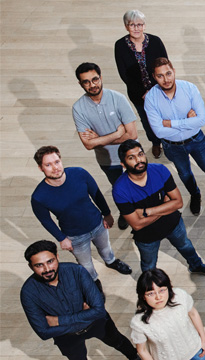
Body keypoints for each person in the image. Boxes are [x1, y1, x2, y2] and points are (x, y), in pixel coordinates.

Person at [113, 139, 205, 277]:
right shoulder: (120, 189)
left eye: (140, 154)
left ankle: (196, 265)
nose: (139, 160)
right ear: (123, 164)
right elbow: (137, 224)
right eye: (131, 157)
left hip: (173, 223)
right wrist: (165, 206)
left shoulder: (160, 170)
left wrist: (146, 212)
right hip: (147, 236)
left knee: (186, 246)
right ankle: (150, 286)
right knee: (149, 265)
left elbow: (178, 203)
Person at [31, 146, 132, 287]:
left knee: (105, 248)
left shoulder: (79, 174)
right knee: (85, 264)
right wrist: (61, 238)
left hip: (97, 224)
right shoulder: (39, 197)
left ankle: (111, 261)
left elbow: (96, 194)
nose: (55, 168)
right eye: (48, 165)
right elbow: (45, 220)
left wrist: (107, 213)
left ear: (61, 160)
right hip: (74, 235)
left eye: (57, 162)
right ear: (40, 168)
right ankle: (94, 281)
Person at [20, 240, 139, 360]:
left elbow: (99, 311)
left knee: (119, 342)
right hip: (66, 337)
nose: (47, 269)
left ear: (57, 257)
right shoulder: (28, 292)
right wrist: (85, 315)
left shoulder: (77, 271)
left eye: (50, 261)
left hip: (97, 324)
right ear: (31, 266)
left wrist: (59, 321)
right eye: (39, 265)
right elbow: (43, 332)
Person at [144, 57, 205, 215]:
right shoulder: (151, 98)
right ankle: (195, 194)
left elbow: (201, 120)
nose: (166, 79)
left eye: (168, 73)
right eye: (160, 76)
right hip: (172, 146)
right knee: (185, 174)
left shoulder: (189, 88)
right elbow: (158, 131)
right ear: (154, 77)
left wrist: (171, 123)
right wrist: (187, 122)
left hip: (196, 139)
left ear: (174, 71)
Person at [72, 62, 139, 230]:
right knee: (119, 189)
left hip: (131, 153)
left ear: (101, 78)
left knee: (139, 183)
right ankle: (126, 213)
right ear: (80, 84)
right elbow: (88, 144)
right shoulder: (78, 108)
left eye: (95, 79)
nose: (92, 85)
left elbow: (132, 135)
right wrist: (116, 135)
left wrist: (99, 139)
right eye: (86, 82)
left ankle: (142, 210)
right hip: (107, 160)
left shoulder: (118, 99)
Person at [114, 9, 168, 159]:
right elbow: (124, 74)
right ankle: (156, 142)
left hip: (160, 90)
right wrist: (142, 93)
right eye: (132, 25)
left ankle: (168, 142)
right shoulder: (120, 46)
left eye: (139, 24)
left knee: (165, 116)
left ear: (144, 26)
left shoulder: (155, 41)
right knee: (147, 120)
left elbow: (164, 65)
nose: (136, 28)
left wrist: (157, 88)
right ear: (126, 26)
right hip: (138, 95)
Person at [130, 268, 205, 360]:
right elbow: (142, 350)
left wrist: (203, 340)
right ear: (143, 296)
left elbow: (193, 313)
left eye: (162, 290)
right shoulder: (138, 322)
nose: (158, 297)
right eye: (151, 293)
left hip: (197, 353)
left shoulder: (179, 296)